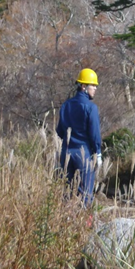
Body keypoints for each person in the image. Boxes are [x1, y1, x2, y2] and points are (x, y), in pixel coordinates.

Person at [56, 68, 102, 207]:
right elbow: (94, 134)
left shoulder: (66, 105)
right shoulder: (90, 107)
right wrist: (98, 152)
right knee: (86, 193)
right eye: (92, 85)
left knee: (66, 192)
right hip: (84, 153)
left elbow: (59, 131)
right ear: (83, 86)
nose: (95, 88)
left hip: (66, 152)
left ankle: (64, 221)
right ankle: (84, 225)